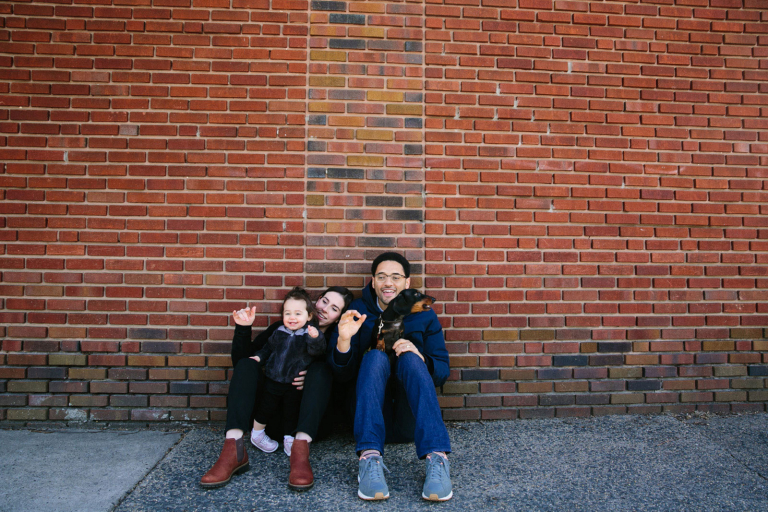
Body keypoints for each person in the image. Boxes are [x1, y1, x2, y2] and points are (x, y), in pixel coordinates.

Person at [200, 286, 354, 491]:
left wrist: (312, 375)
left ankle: (300, 456)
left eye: (334, 308)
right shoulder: (281, 329)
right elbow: (243, 364)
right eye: (324, 301)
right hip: (268, 414)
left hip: (304, 423)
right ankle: (233, 448)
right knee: (248, 364)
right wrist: (243, 328)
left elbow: (342, 380)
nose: (325, 309)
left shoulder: (336, 338)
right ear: (314, 303)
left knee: (320, 370)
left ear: (338, 317)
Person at [327, 252, 453, 501]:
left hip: (410, 420)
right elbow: (339, 374)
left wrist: (422, 358)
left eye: (395, 277)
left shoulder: (424, 314)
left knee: (410, 357)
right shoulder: (357, 311)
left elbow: (442, 371)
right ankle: (369, 459)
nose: (388, 283)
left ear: (407, 282)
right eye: (382, 276)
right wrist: (343, 340)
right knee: (374, 357)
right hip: (368, 418)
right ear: (372, 281)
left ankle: (438, 458)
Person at [248, 287, 325, 459]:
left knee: (292, 410)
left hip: (293, 383)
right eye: (287, 313)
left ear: (309, 316)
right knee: (265, 407)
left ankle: (290, 438)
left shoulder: (308, 334)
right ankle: (257, 434)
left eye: (298, 314)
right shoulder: (279, 332)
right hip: (273, 378)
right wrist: (259, 358)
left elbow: (317, 352)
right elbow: (267, 348)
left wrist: (315, 338)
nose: (292, 318)